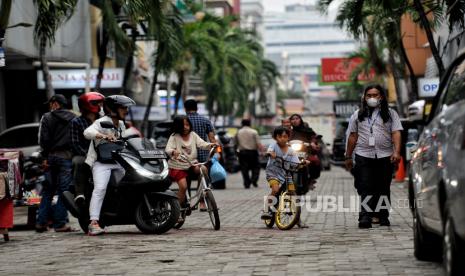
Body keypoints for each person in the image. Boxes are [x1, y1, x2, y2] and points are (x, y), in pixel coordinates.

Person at [345, 84, 403, 229]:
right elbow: (352, 136)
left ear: (381, 97)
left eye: (375, 95)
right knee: (365, 186)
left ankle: (383, 216)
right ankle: (365, 216)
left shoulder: (390, 114)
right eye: (369, 95)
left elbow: (396, 132)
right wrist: (348, 156)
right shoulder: (357, 115)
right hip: (363, 155)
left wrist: (396, 152)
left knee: (383, 187)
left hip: (385, 155)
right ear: (364, 98)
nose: (372, 98)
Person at [84, 95, 135, 236]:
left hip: (118, 162)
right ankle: (93, 223)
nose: (126, 110)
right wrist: (102, 136)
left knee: (131, 183)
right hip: (101, 163)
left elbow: (123, 142)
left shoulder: (122, 124)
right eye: (123, 108)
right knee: (100, 189)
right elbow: (87, 132)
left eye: (126, 108)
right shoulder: (101, 122)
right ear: (113, 109)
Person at [36, 94, 76, 233]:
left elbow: (43, 140)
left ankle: (41, 223)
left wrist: (44, 157)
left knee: (48, 190)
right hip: (66, 157)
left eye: (51, 104)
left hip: (51, 157)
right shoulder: (73, 118)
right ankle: (60, 224)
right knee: (63, 191)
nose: (49, 106)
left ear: (56, 104)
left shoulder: (46, 117)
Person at [165, 116, 216, 217]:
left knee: (203, 169)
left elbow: (202, 144)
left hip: (191, 163)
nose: (185, 127)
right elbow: (168, 149)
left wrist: (211, 145)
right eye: (183, 125)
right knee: (183, 187)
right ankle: (177, 212)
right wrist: (173, 151)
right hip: (177, 166)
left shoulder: (193, 135)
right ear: (177, 126)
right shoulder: (174, 136)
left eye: (187, 125)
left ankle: (203, 191)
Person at [261, 127, 309, 220]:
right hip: (273, 172)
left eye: (285, 136)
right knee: (275, 190)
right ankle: (266, 209)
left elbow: (296, 163)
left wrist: (303, 162)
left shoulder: (291, 150)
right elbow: (270, 150)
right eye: (279, 136)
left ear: (288, 138)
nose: (282, 138)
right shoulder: (274, 145)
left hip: (285, 174)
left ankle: (296, 218)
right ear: (275, 138)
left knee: (292, 192)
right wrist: (271, 154)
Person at [70, 92, 104, 211]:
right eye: (95, 103)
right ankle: (79, 194)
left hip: (103, 153)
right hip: (83, 154)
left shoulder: (103, 120)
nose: (99, 106)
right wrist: (88, 155)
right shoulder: (76, 122)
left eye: (100, 103)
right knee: (79, 162)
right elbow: (75, 143)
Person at [289, 114, 321, 192]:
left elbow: (313, 137)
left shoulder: (307, 130)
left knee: (315, 161)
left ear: (300, 120)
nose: (295, 120)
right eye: (293, 119)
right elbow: (283, 139)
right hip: (292, 153)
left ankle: (312, 179)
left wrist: (313, 143)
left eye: (297, 118)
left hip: (306, 152)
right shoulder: (289, 131)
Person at [234, 119, 263, 188]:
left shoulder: (238, 132)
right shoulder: (254, 132)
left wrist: (236, 152)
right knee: (256, 167)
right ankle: (254, 180)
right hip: (253, 152)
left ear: (242, 124)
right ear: (250, 124)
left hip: (242, 153)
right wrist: (261, 151)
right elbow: (258, 143)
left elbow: (235, 143)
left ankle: (247, 183)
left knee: (244, 168)